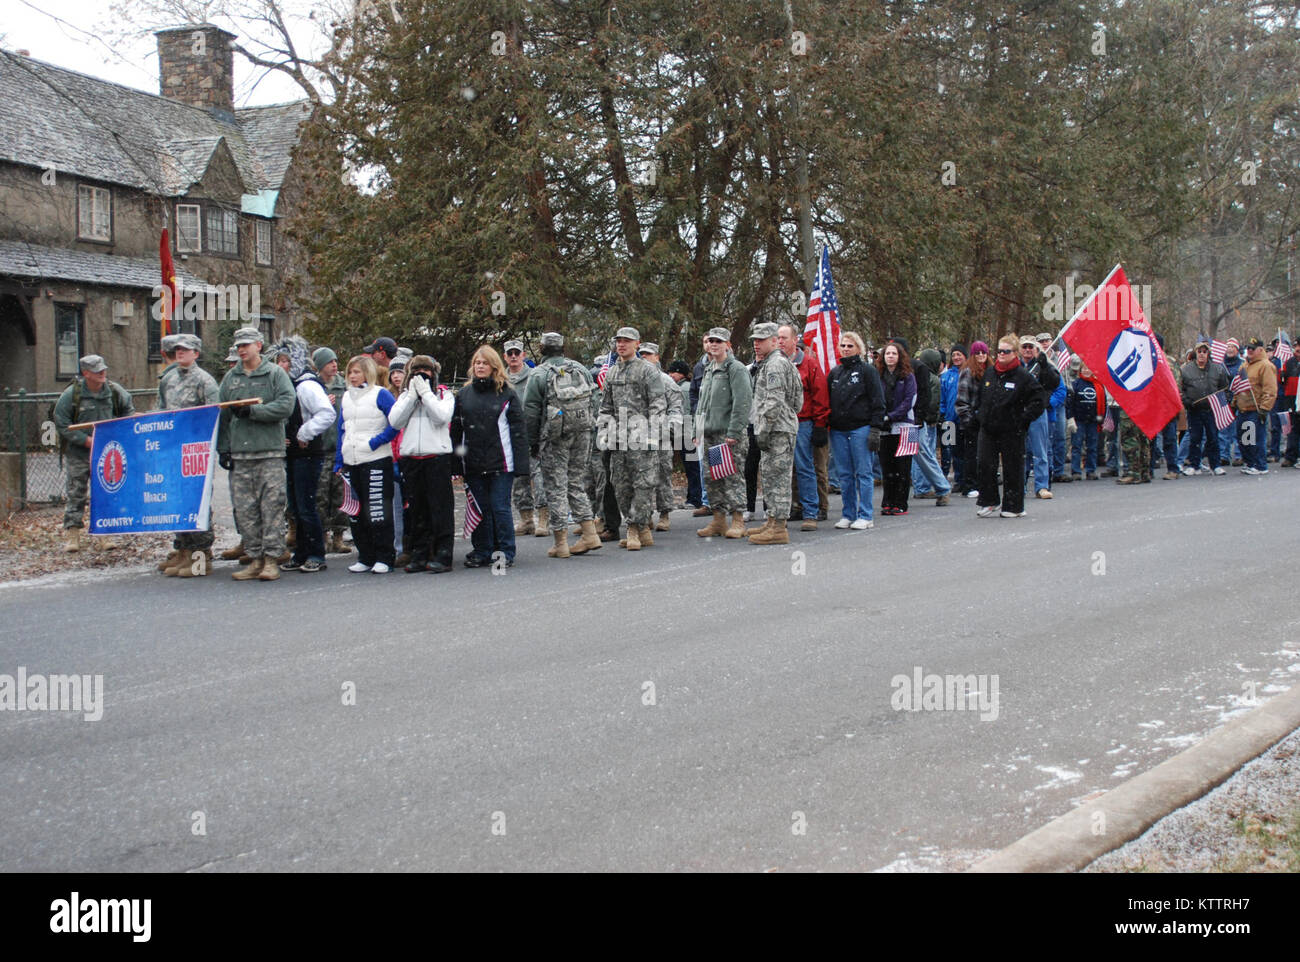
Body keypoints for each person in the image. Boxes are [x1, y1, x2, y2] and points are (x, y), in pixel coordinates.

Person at [217, 328, 297, 580]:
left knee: (271, 508)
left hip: (269, 453)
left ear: (259, 346)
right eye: (238, 345)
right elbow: (223, 415)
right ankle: (255, 558)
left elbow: (286, 405)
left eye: (246, 345)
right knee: (246, 510)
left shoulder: (274, 374)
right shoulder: (231, 378)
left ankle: (272, 559)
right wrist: (223, 448)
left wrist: (253, 412)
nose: (241, 350)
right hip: (241, 455)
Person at [524, 332, 601, 558]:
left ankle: (561, 542)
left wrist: (532, 443)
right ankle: (589, 533)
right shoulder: (580, 368)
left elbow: (530, 412)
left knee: (556, 486)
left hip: (555, 436)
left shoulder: (539, 374)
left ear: (541, 349)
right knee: (576, 482)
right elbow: (594, 400)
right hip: (583, 432)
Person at [453, 346, 530, 567]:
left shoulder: (507, 393)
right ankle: (482, 550)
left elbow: (518, 432)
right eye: (477, 362)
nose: (480, 366)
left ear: (494, 366)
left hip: (501, 463)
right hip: (473, 463)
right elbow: (456, 431)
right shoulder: (463, 395)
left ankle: (505, 551)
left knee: (500, 507)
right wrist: (455, 465)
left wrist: (522, 466)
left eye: (485, 363)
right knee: (479, 508)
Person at [52, 355, 135, 552]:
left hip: (107, 453)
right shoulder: (72, 395)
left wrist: (119, 433)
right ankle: (73, 535)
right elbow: (62, 423)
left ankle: (105, 535)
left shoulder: (114, 392)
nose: (102, 373)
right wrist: (86, 440)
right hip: (79, 454)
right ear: (86, 373)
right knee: (76, 493)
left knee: (106, 493)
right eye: (97, 371)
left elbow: (128, 413)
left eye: (103, 369)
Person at [596, 327, 667, 550]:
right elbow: (606, 406)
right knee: (620, 485)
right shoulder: (612, 373)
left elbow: (658, 403)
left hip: (642, 438)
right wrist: (603, 432)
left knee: (643, 485)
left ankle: (634, 527)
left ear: (637, 344)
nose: (621, 345)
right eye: (619, 341)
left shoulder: (647, 371)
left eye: (627, 341)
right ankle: (642, 529)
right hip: (618, 440)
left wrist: (653, 434)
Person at [156, 333, 220, 576]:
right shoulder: (168, 379)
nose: (180, 353)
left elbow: (213, 417)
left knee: (197, 502)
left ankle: (201, 557)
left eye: (185, 349)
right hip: (173, 449)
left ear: (196, 353)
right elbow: (161, 410)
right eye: (177, 350)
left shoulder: (205, 381)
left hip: (196, 451)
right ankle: (183, 552)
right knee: (178, 501)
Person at [387, 354, 456, 572]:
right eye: (417, 372)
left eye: (426, 371)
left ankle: (443, 554)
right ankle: (419, 553)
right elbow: (395, 421)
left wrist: (426, 394)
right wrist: (411, 396)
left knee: (440, 509)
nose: (421, 376)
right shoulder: (407, 396)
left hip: (436, 457)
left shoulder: (443, 394)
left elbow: (442, 417)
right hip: (412, 458)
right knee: (417, 510)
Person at [334, 355, 399, 573]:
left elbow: (396, 422)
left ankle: (385, 556)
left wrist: (376, 441)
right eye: (350, 372)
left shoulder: (380, 394)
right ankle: (365, 555)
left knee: (377, 510)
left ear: (367, 373)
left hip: (376, 460)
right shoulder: (345, 398)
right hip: (352, 461)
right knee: (356, 512)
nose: (352, 376)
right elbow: (341, 429)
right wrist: (339, 459)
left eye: (357, 372)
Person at [974, 335, 1045, 518]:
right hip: (988, 428)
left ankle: (1013, 506)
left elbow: (1038, 400)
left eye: (1006, 351)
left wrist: (1023, 419)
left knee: (1012, 466)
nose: (1001, 355)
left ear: (1015, 353)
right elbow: (981, 396)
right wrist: (979, 415)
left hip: (1011, 429)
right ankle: (989, 501)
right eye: (999, 351)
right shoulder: (990, 372)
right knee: (984, 463)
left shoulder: (1023, 376)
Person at [745, 322, 802, 544]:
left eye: (761, 340)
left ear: (774, 341)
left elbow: (774, 401)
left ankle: (779, 528)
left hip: (777, 429)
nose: (756, 344)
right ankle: (772, 521)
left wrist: (765, 429)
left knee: (778, 478)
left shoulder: (776, 364)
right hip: (777, 427)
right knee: (769, 476)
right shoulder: (773, 363)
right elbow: (797, 401)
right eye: (754, 340)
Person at [693, 327, 752, 539]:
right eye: (711, 341)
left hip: (727, 434)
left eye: (719, 341)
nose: (714, 345)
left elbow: (742, 403)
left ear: (727, 344)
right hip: (710, 433)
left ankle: (737, 519)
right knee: (712, 477)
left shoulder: (735, 369)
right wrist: (696, 429)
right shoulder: (708, 369)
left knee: (732, 476)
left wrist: (734, 431)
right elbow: (701, 403)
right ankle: (719, 519)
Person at [281, 343, 335, 573]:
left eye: (286, 361)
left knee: (306, 505)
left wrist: (304, 433)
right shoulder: (287, 386)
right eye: (279, 361)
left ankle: (316, 553)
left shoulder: (307, 386)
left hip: (308, 454)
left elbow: (326, 413)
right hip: (293, 454)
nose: (281, 366)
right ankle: (301, 552)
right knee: (295, 506)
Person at [827, 331, 885, 529]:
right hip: (838, 430)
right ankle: (848, 513)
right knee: (844, 474)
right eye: (843, 345)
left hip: (861, 428)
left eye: (850, 346)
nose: (845, 349)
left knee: (863, 472)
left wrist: (876, 428)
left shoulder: (868, 371)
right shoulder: (835, 373)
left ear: (858, 348)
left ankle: (866, 514)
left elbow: (878, 400)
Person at [778, 323, 829, 531]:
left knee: (805, 466)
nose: (780, 341)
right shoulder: (774, 364)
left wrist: (820, 424)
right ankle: (791, 507)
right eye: (777, 338)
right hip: (780, 423)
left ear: (794, 339)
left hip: (803, 422)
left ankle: (811, 511)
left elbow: (820, 396)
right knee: (784, 468)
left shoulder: (809, 364)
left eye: (783, 337)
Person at [503, 339, 548, 537]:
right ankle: (526, 519)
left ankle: (544, 518)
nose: (513, 356)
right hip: (511, 435)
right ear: (505, 356)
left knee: (539, 477)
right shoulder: (501, 379)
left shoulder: (534, 376)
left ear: (523, 355)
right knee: (519, 479)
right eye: (510, 353)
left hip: (533, 433)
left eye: (517, 353)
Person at [636, 342, 683, 531]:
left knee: (663, 474)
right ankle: (644, 514)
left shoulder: (665, 381)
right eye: (641, 354)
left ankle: (664, 514)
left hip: (660, 436)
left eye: (648, 354)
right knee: (641, 477)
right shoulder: (635, 378)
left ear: (656, 357)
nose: (644, 358)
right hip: (639, 436)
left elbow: (676, 409)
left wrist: (668, 428)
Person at [310, 348, 351, 554]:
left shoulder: (343, 385)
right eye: (329, 362)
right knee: (320, 495)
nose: (334, 365)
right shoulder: (313, 386)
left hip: (339, 446)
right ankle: (323, 535)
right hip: (320, 448)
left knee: (340, 494)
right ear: (319, 366)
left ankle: (339, 536)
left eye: (335, 361)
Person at [875, 341, 917, 516]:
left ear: (900, 357)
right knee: (887, 466)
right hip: (885, 427)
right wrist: (881, 417)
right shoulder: (879, 376)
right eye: (887, 354)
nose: (890, 356)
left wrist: (891, 415)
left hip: (906, 426)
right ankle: (888, 501)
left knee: (903, 467)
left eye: (894, 353)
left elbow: (909, 401)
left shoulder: (908, 376)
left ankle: (900, 503)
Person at [908, 347, 952, 506]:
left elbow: (930, 402)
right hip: (922, 421)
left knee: (920, 452)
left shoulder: (927, 377)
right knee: (921, 452)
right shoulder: (931, 377)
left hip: (919, 421)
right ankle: (925, 486)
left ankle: (925, 486)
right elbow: (932, 403)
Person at [1179, 339, 1229, 476]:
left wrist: (1223, 402)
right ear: (1195, 353)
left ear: (1208, 353)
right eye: (1199, 351)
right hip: (1194, 409)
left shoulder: (1217, 369)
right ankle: (1194, 465)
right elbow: (1180, 389)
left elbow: (1224, 388)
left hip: (1211, 410)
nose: (1202, 354)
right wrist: (1187, 401)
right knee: (1195, 438)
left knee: (1213, 437)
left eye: (1204, 352)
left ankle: (1216, 465)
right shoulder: (1186, 369)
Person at [1020, 336, 1059, 499]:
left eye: (1031, 347)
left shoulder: (1043, 365)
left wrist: (1044, 365)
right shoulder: (1015, 365)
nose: (1028, 350)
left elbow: (1055, 382)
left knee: (1040, 450)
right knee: (1020, 451)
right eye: (1025, 347)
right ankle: (1018, 485)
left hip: (1037, 412)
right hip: (1019, 412)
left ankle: (1041, 485)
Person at [1235, 336, 1278, 475]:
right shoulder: (1244, 365)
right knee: (1244, 439)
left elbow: (1270, 389)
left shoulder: (1266, 366)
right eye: (1248, 348)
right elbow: (1238, 386)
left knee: (1256, 439)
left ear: (1260, 350)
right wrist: (1234, 402)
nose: (1249, 351)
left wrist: (1265, 408)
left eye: (1252, 349)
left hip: (1256, 409)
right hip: (1243, 408)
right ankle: (1250, 463)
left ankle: (1260, 465)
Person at [954, 341, 988, 498]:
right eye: (978, 353)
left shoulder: (991, 371)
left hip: (988, 420)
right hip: (972, 420)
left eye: (983, 352)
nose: (981, 356)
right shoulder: (967, 372)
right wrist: (968, 420)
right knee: (971, 454)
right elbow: (961, 399)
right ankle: (970, 484)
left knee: (985, 454)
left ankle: (983, 482)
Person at [1037, 333, 1069, 483]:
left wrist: (1052, 402)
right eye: (1041, 341)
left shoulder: (1059, 359)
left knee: (1060, 436)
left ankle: (1058, 470)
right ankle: (1046, 470)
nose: (1044, 343)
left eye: (1047, 341)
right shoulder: (1036, 362)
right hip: (1041, 406)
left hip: (1059, 402)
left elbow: (1063, 385)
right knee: (1044, 440)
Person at [1067, 359, 1106, 480]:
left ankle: (1091, 470)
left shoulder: (1098, 385)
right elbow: (1070, 403)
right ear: (1080, 370)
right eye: (1084, 369)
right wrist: (1070, 418)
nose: (1086, 371)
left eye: (1088, 369)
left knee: (1092, 446)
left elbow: (1102, 404)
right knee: (1077, 446)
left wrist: (1101, 419)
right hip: (1079, 419)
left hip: (1093, 420)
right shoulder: (1076, 384)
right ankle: (1076, 471)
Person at [940, 344, 965, 487]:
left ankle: (967, 479)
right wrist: (942, 414)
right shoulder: (946, 376)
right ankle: (957, 478)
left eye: (959, 354)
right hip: (949, 420)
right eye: (954, 355)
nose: (956, 357)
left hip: (965, 419)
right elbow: (942, 398)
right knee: (952, 450)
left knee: (965, 451)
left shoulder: (969, 373)